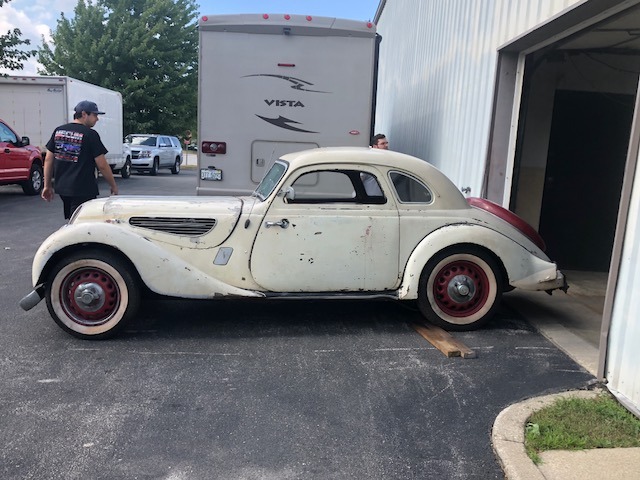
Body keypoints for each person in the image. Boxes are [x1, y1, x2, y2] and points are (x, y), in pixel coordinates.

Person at [41, 100, 118, 219]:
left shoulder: (59, 131)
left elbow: (48, 160)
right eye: (94, 115)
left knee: (73, 219)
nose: (97, 119)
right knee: (81, 223)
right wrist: (113, 185)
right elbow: (102, 164)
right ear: (83, 114)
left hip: (63, 188)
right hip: (83, 189)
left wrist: (47, 185)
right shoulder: (90, 134)